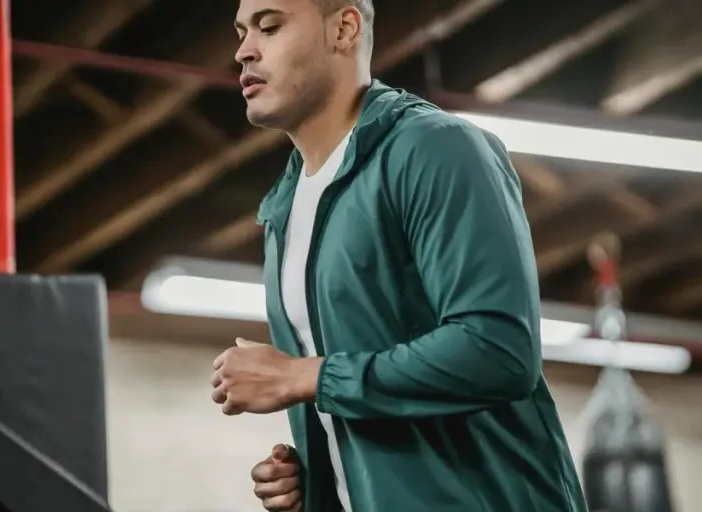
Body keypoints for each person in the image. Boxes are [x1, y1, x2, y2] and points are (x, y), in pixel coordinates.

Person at [209, 0, 587, 511]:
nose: (244, 51)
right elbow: (358, 405)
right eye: (241, 32)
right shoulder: (285, 208)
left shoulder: (436, 148)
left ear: (343, 28)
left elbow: (499, 350)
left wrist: (305, 377)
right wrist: (320, 487)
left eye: (270, 27)